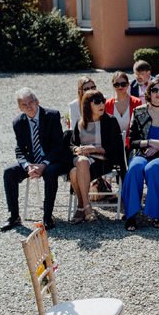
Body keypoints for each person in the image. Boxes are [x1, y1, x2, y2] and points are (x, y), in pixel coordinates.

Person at [3, 89, 75, 231]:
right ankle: (14, 216)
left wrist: (43, 164)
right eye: (24, 105)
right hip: (32, 162)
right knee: (9, 172)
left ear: (37, 101)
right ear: (20, 107)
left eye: (31, 102)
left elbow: (58, 146)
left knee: (49, 172)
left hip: (53, 160)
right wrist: (28, 166)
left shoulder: (52, 115)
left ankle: (47, 216)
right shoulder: (18, 122)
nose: (29, 107)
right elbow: (20, 149)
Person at [122, 81, 159, 231]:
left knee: (152, 168)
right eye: (154, 90)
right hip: (142, 153)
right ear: (149, 93)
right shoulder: (138, 112)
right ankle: (131, 215)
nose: (158, 92)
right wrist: (150, 142)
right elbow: (132, 141)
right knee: (135, 167)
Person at [66, 89, 124, 223]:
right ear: (87, 105)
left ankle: (82, 207)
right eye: (97, 102)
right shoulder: (80, 123)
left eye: (103, 101)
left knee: (74, 172)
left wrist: (95, 149)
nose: (102, 105)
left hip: (102, 162)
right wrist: (77, 149)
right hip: (82, 160)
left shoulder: (110, 121)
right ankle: (87, 207)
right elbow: (72, 144)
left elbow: (116, 148)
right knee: (81, 161)